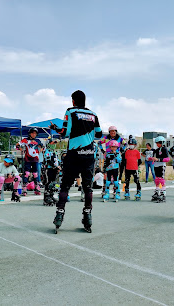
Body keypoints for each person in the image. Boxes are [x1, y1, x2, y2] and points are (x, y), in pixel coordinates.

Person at [49, 90, 102, 233]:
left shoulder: (70, 111)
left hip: (74, 153)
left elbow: (65, 132)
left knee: (65, 186)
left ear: (73, 101)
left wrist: (55, 128)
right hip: (89, 154)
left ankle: (59, 214)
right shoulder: (93, 114)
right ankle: (87, 216)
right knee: (87, 187)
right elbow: (99, 134)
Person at [98, 126, 127, 195]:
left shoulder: (119, 138)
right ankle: (105, 189)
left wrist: (121, 151)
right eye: (111, 131)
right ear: (109, 132)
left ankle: (115, 189)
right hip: (108, 156)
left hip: (116, 157)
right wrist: (103, 151)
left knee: (115, 173)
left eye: (114, 131)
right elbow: (99, 143)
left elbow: (126, 144)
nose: (113, 132)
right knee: (106, 173)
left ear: (116, 131)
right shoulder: (106, 138)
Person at [17, 127, 43, 196]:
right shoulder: (25, 140)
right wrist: (21, 150)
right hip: (28, 159)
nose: (34, 134)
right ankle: (24, 188)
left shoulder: (38, 140)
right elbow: (17, 145)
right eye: (32, 133)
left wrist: (39, 151)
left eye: (35, 133)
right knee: (26, 173)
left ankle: (37, 188)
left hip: (35, 159)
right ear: (30, 133)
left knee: (35, 174)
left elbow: (42, 147)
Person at [151, 136, 170, 203]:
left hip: (161, 165)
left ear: (162, 142)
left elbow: (167, 159)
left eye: (158, 143)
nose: (157, 144)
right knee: (157, 179)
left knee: (161, 179)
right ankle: (157, 192)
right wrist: (152, 158)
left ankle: (163, 194)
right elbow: (154, 157)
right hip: (156, 165)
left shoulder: (164, 149)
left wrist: (158, 159)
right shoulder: (157, 150)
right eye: (156, 143)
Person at [43, 138, 61, 206]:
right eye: (52, 143)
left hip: (54, 169)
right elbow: (48, 161)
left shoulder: (54, 152)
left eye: (54, 143)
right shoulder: (47, 152)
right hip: (49, 169)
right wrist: (56, 166)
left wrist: (59, 166)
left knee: (54, 183)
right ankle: (46, 197)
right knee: (49, 182)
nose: (54, 145)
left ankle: (51, 195)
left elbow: (56, 161)